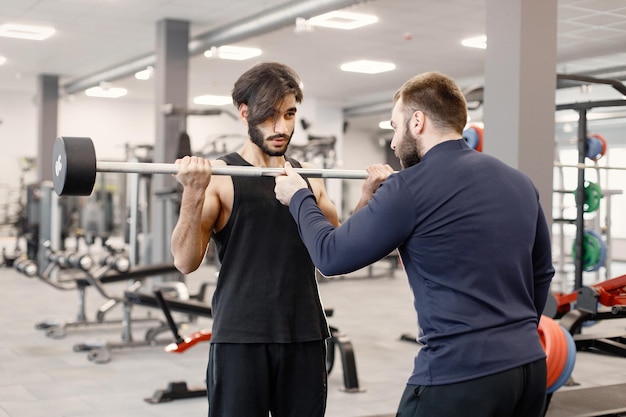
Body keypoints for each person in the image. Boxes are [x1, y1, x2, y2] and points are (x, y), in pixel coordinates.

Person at [274, 71, 555, 417]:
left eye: (395, 126)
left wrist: (299, 197)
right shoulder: (519, 182)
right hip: (529, 368)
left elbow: (330, 256)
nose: (393, 142)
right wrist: (518, 334)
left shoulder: (408, 186)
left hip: (460, 375)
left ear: (417, 121)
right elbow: (542, 272)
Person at [170, 62, 339, 417]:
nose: (281, 128)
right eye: (269, 116)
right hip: (240, 337)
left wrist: (370, 195)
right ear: (244, 112)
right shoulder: (220, 177)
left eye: (290, 114)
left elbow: (337, 255)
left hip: (304, 334)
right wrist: (192, 194)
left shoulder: (308, 178)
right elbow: (185, 262)